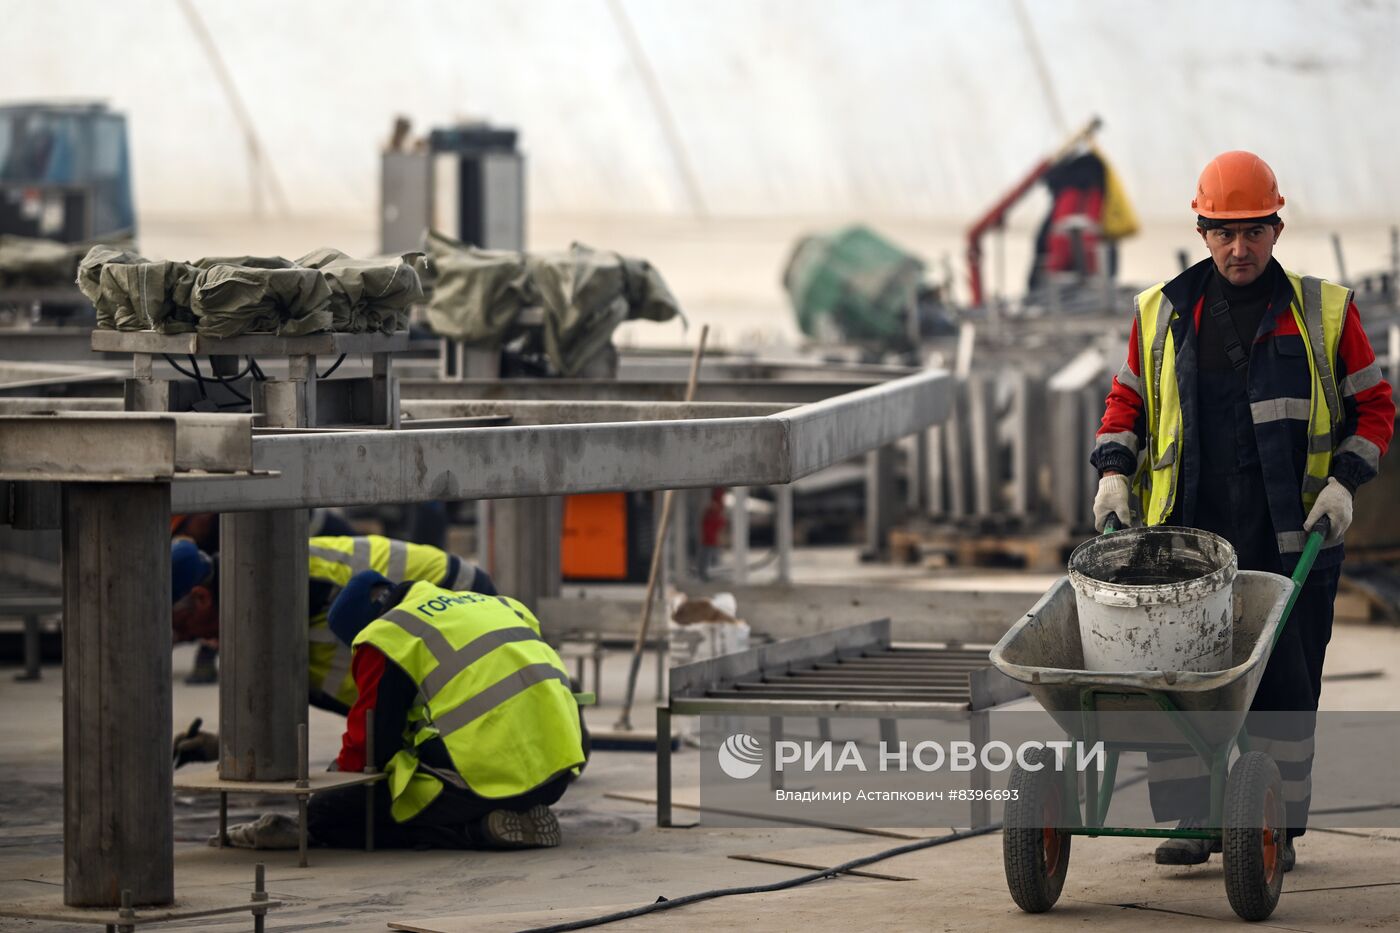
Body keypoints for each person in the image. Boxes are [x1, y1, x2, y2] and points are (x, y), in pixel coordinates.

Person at [1090, 151, 1395, 870]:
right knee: (1180, 681)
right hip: (1185, 537)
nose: (1239, 247)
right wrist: (1112, 471)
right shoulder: (1162, 310)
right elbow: (1126, 401)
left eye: (1253, 231)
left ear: (1277, 229)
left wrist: (1345, 482)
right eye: (1224, 232)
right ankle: (1193, 820)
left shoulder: (1325, 312)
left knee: (1286, 684)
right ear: (1201, 231)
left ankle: (1271, 830)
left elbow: (1376, 406)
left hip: (1293, 539)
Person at [305, 570, 585, 849]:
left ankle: (472, 830)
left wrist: (339, 776)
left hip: (489, 782)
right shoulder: (496, 604)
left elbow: (373, 747)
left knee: (325, 815)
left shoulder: (386, 636)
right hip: (557, 773)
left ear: (363, 627)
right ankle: (518, 810)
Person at [170, 534, 494, 714]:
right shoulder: (257, 616)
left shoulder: (276, 589)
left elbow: (380, 685)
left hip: (460, 597)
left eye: (179, 625)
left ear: (201, 598)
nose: (183, 638)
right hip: (452, 611)